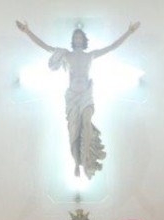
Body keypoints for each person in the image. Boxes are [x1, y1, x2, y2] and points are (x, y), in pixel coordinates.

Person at [16, 20, 139, 179]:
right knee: (73, 132)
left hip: (86, 94)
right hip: (72, 97)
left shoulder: (90, 55)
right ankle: (76, 162)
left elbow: (111, 47)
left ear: (84, 40)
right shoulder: (66, 54)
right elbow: (45, 46)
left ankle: (87, 157)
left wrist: (129, 32)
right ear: (73, 41)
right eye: (76, 37)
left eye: (81, 37)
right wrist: (27, 31)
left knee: (87, 121)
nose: (78, 40)